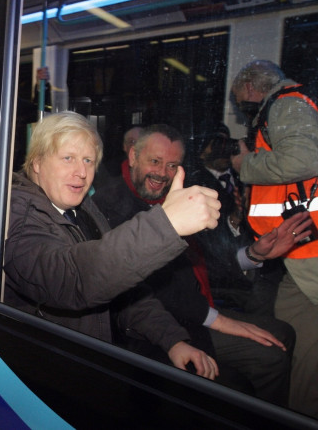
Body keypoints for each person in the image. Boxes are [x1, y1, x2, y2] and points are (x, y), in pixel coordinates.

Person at [3, 112, 225, 380]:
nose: (82, 173)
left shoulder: (83, 208)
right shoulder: (16, 212)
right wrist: (167, 225)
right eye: (68, 158)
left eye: (88, 160)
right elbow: (72, 278)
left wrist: (173, 340)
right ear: (37, 162)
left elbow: (124, 290)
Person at [94, 124, 300, 405]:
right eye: (154, 161)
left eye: (172, 165)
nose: (161, 173)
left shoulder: (176, 197)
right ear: (132, 157)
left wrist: (254, 254)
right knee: (271, 358)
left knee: (285, 332)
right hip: (163, 326)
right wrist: (220, 321)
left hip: (199, 305)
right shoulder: (110, 205)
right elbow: (147, 293)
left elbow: (203, 260)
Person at [230, 59, 318, 417]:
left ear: (252, 88)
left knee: (300, 346)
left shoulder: (285, 105)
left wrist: (245, 165)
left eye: (242, 102)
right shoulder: (297, 106)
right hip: (296, 245)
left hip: (305, 250)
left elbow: (304, 159)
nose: (244, 110)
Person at [186, 124, 287, 316]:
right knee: (265, 295)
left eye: (227, 143)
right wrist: (234, 220)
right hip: (227, 267)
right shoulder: (196, 183)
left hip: (262, 252)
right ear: (201, 152)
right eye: (216, 144)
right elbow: (209, 241)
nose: (223, 149)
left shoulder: (246, 176)